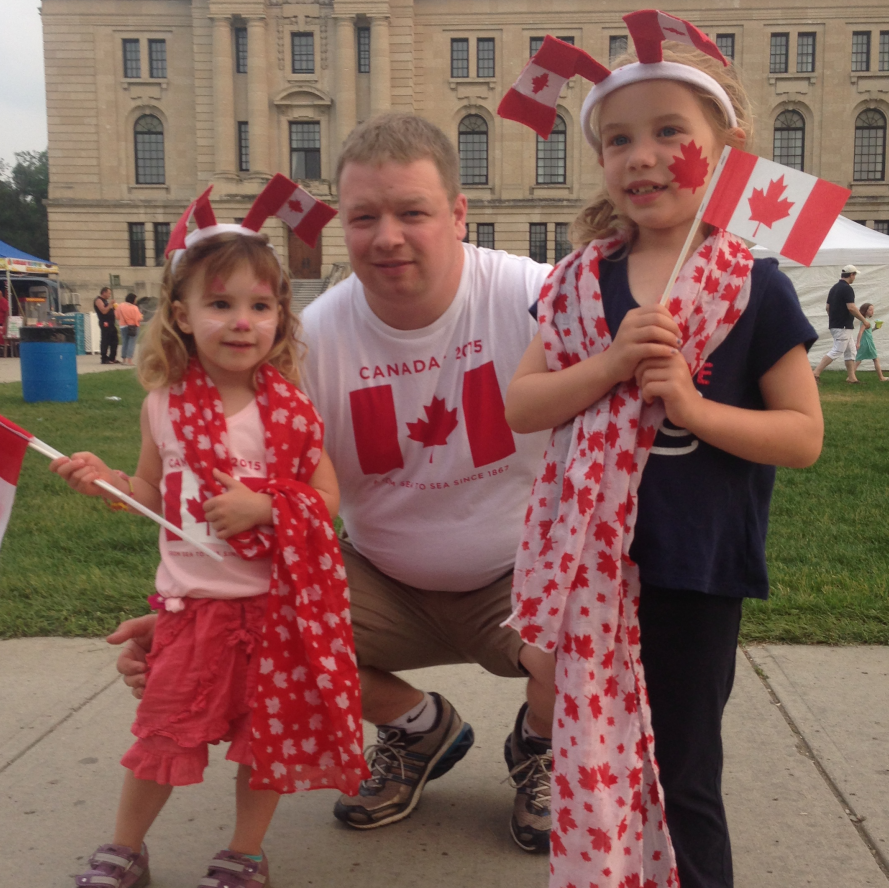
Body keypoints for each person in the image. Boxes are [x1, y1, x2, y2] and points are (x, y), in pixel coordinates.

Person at [110, 112, 560, 853]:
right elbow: (240, 499)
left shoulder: (534, 295)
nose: (387, 237)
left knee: (598, 637)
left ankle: (539, 748)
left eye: (412, 212)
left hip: (515, 575)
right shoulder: (308, 344)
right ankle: (419, 728)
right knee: (260, 641)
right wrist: (186, 623)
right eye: (363, 217)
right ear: (339, 225)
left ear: (458, 213)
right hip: (377, 577)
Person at [503, 26, 824, 888]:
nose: (642, 156)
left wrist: (689, 404)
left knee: (682, 773)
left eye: (669, 132)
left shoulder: (754, 286)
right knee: (594, 761)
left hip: (694, 572)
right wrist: (608, 364)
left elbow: (802, 436)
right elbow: (522, 404)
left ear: (724, 151)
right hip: (592, 570)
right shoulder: (577, 283)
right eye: (619, 139)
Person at [50, 220, 365, 888]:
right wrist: (109, 482)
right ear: (183, 316)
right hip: (193, 611)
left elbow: (326, 497)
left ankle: (244, 853)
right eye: (220, 304)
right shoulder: (162, 407)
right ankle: (125, 847)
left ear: (281, 317)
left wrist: (266, 506)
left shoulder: (295, 413)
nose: (242, 321)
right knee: (164, 735)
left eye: (260, 305)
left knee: (265, 744)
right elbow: (151, 493)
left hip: (274, 611)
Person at [813, 265, 870, 383]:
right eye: (854, 275)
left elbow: (828, 307)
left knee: (851, 351)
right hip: (843, 326)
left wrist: (834, 319)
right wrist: (864, 320)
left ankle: (852, 378)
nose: (854, 278)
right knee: (838, 350)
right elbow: (852, 308)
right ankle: (815, 373)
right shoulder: (847, 289)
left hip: (837, 324)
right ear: (851, 275)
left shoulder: (834, 288)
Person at [853, 302, 889, 381]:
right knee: (875, 359)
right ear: (865, 311)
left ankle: (851, 376)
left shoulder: (866, 321)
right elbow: (860, 332)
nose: (872, 311)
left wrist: (875, 328)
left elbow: (867, 332)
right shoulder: (866, 321)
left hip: (865, 342)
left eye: (872, 310)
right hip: (868, 342)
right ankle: (881, 377)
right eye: (870, 310)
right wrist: (858, 343)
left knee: (859, 359)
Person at [115, 292, 143, 364]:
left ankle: (123, 359)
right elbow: (138, 318)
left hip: (123, 326)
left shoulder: (120, 306)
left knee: (125, 342)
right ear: (133, 299)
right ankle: (129, 360)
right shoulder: (135, 308)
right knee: (132, 342)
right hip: (133, 326)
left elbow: (117, 316)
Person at [95, 286, 119, 363]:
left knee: (114, 340)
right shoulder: (98, 300)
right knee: (105, 340)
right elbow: (103, 311)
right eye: (108, 293)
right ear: (104, 292)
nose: (109, 295)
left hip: (111, 323)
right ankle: (104, 358)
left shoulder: (106, 301)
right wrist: (110, 304)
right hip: (105, 323)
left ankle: (112, 357)